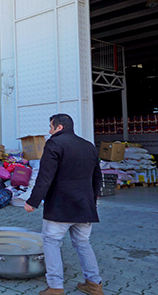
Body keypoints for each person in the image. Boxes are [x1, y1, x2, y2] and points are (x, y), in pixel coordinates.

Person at [25, 114, 103, 295]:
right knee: (83, 244)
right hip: (85, 207)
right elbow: (97, 177)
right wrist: (92, 199)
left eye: (50, 126)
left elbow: (45, 177)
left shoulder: (54, 144)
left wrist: (32, 202)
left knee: (51, 244)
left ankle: (55, 287)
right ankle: (94, 284)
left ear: (59, 127)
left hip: (61, 207)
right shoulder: (88, 146)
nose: (49, 130)